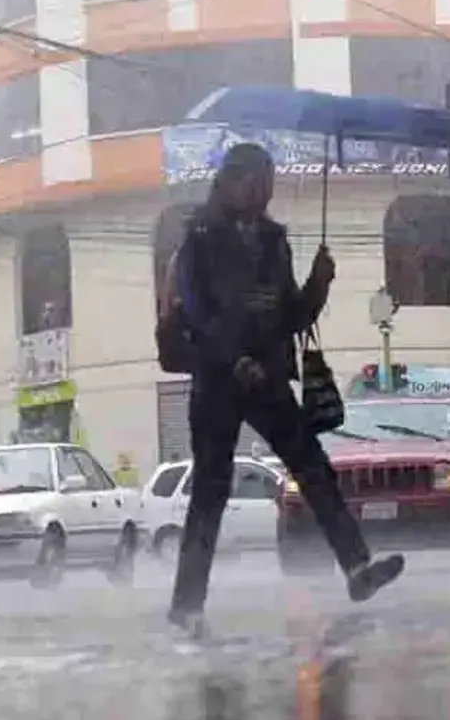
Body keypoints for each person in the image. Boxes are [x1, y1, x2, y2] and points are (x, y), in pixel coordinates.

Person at [166, 142, 404, 635]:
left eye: (268, 178)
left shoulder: (276, 241)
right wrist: (235, 360)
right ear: (230, 182)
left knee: (314, 468)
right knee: (210, 490)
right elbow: (195, 312)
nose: (263, 188)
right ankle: (187, 606)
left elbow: (290, 317)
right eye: (255, 178)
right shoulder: (201, 238)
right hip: (218, 380)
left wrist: (318, 286)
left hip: (269, 379)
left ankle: (358, 569)